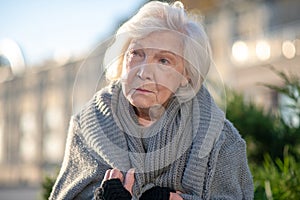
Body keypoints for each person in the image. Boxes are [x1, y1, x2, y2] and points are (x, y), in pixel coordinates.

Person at [49, 1, 254, 199]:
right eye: (136, 54)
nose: (144, 72)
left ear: (186, 76)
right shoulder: (86, 127)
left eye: (164, 60)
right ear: (121, 61)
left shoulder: (222, 140)